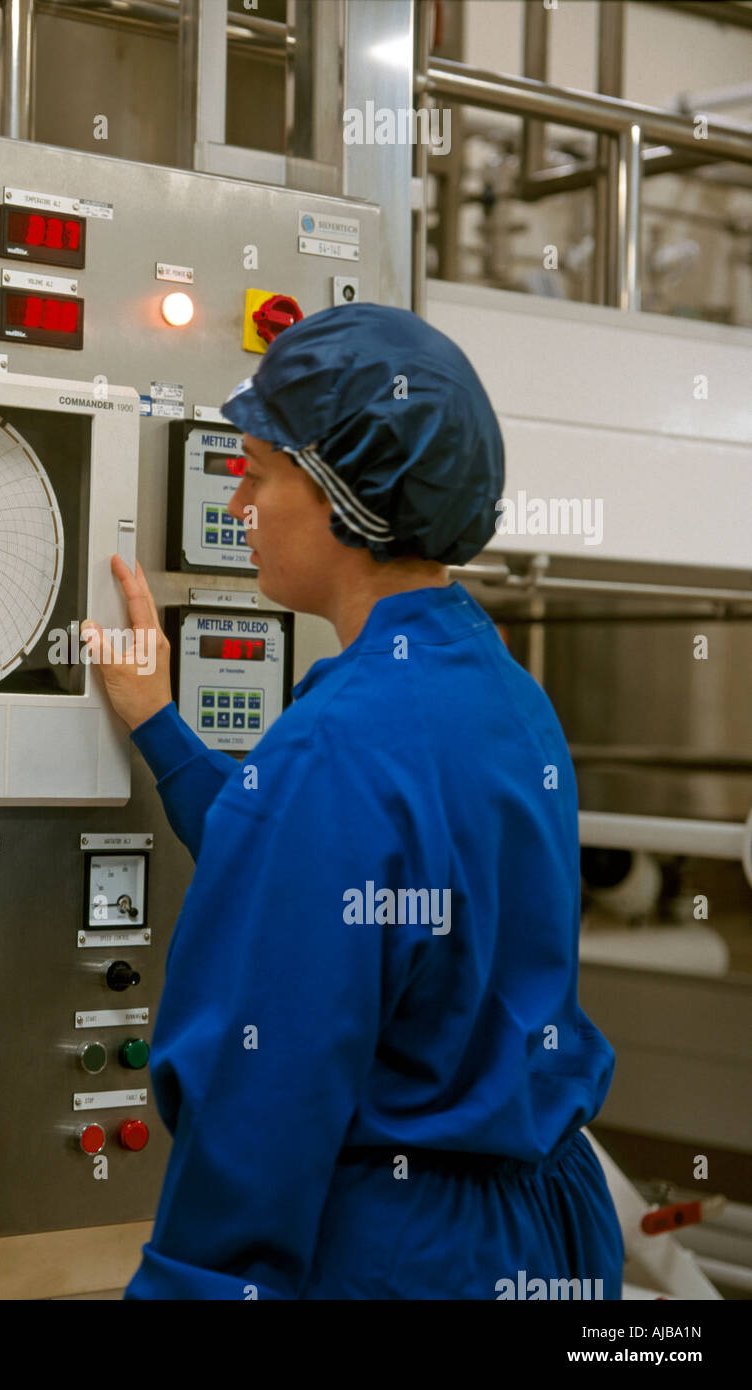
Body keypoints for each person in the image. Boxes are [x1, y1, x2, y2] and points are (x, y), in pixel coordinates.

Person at [80, 303, 624, 1300]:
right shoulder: (500, 690)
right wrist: (161, 726)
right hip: (545, 1232)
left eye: (255, 470)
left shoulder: (337, 746)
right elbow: (318, 874)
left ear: (341, 496)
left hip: (398, 1254)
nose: (237, 503)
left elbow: (260, 1109)